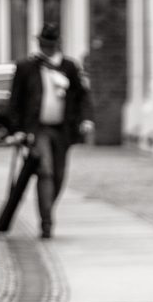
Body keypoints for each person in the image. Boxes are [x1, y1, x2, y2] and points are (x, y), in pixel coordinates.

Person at [8, 23, 94, 238]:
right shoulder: (27, 67)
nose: (46, 48)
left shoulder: (69, 67)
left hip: (63, 130)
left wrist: (86, 119)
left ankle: (47, 210)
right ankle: (46, 223)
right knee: (45, 171)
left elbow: (82, 96)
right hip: (38, 130)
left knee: (58, 175)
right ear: (39, 43)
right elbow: (15, 101)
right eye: (43, 44)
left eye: (50, 44)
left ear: (57, 44)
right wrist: (17, 129)